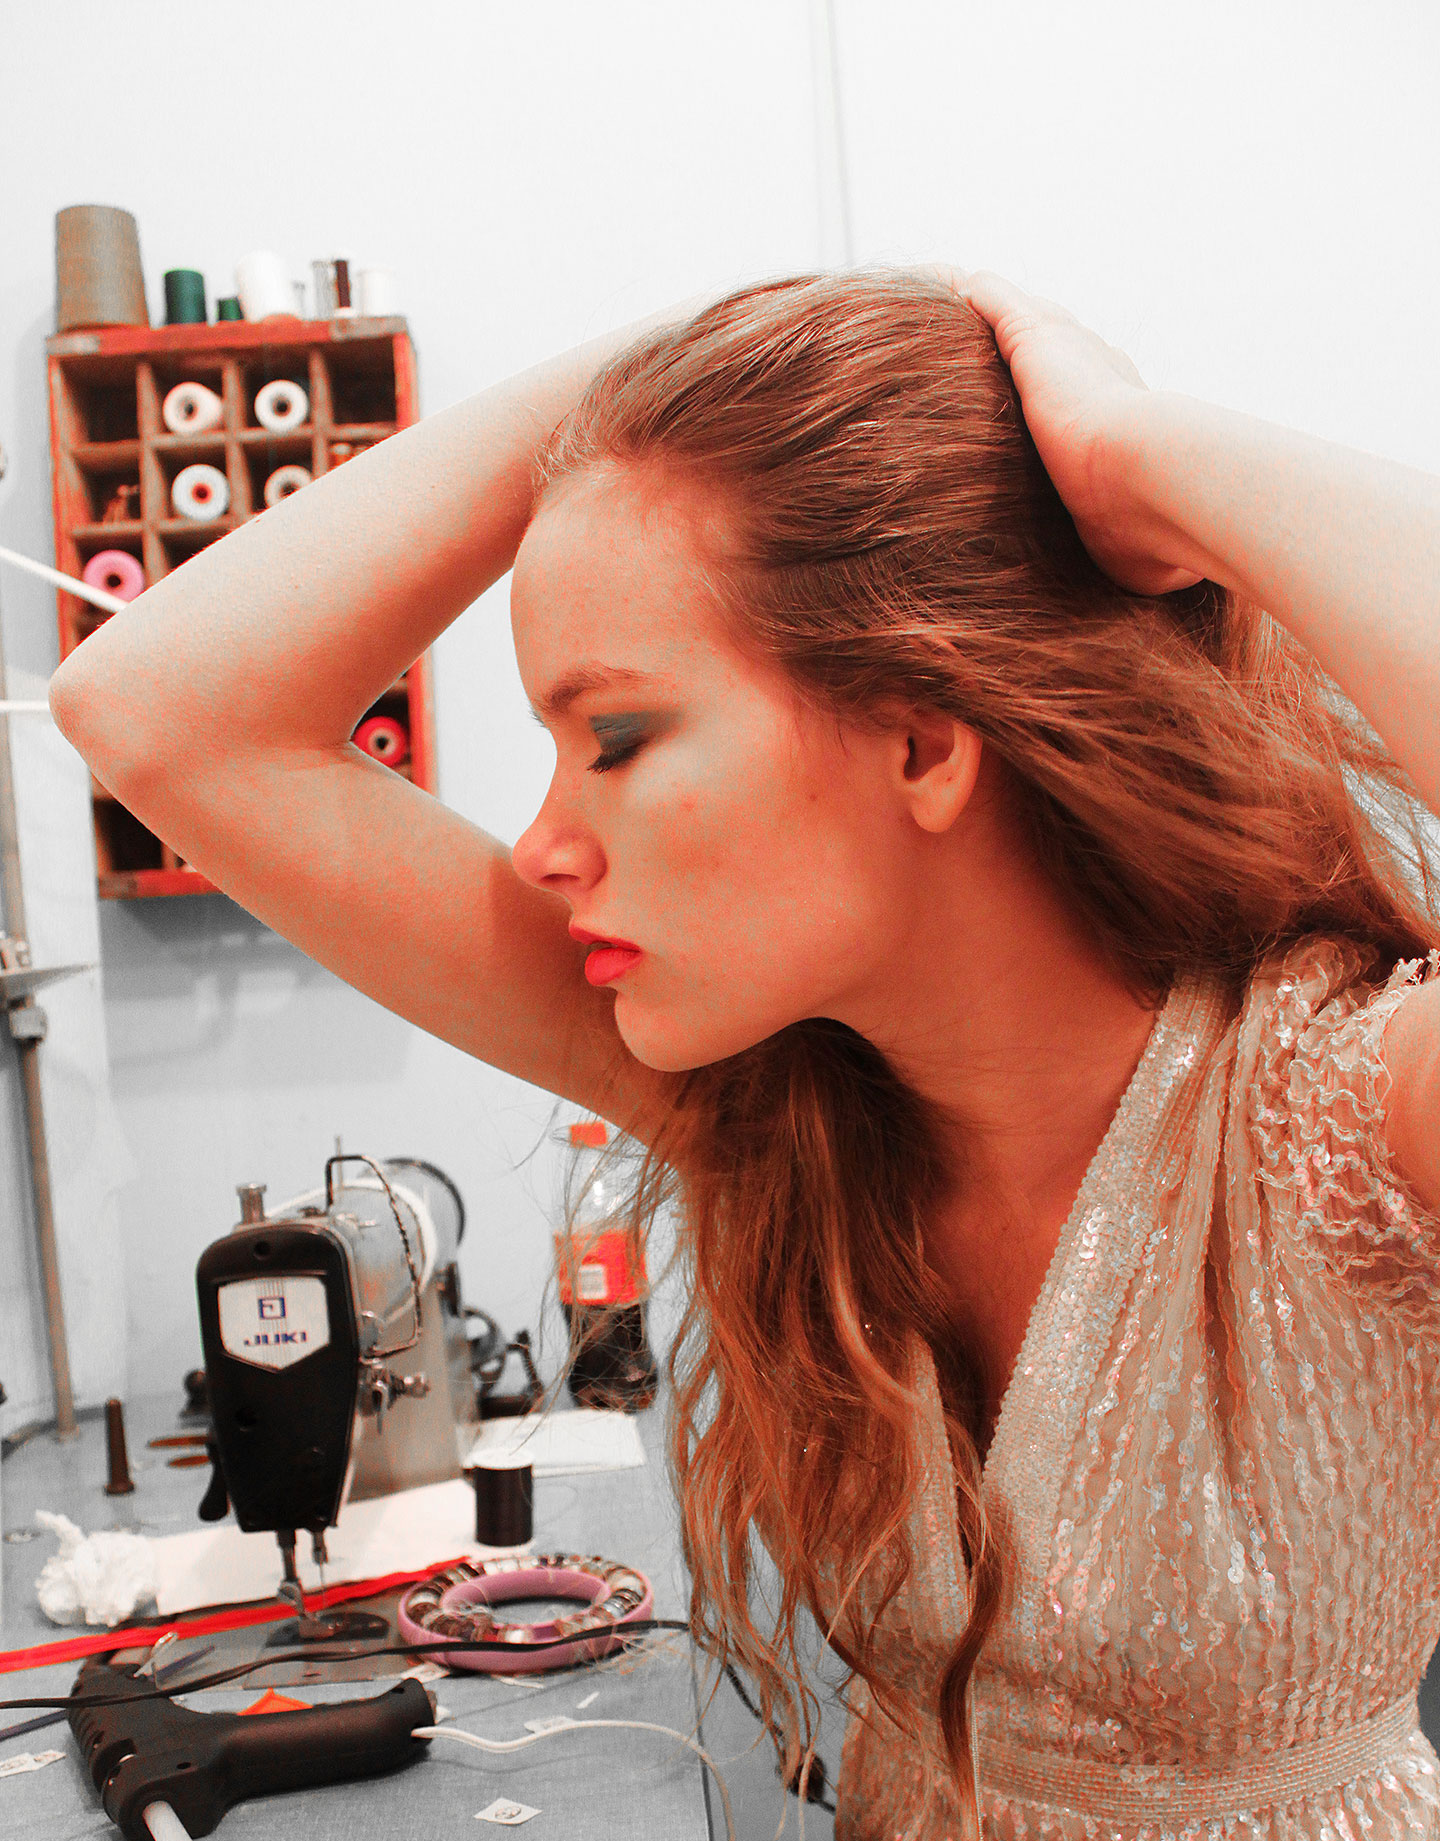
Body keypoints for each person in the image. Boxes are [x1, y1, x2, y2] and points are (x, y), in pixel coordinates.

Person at [49, 268, 1440, 1841]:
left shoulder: (1340, 1118)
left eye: (615, 738)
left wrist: (1137, 454)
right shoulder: (784, 1122)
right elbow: (150, 709)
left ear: (920, 740)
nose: (543, 843)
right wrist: (694, 354)